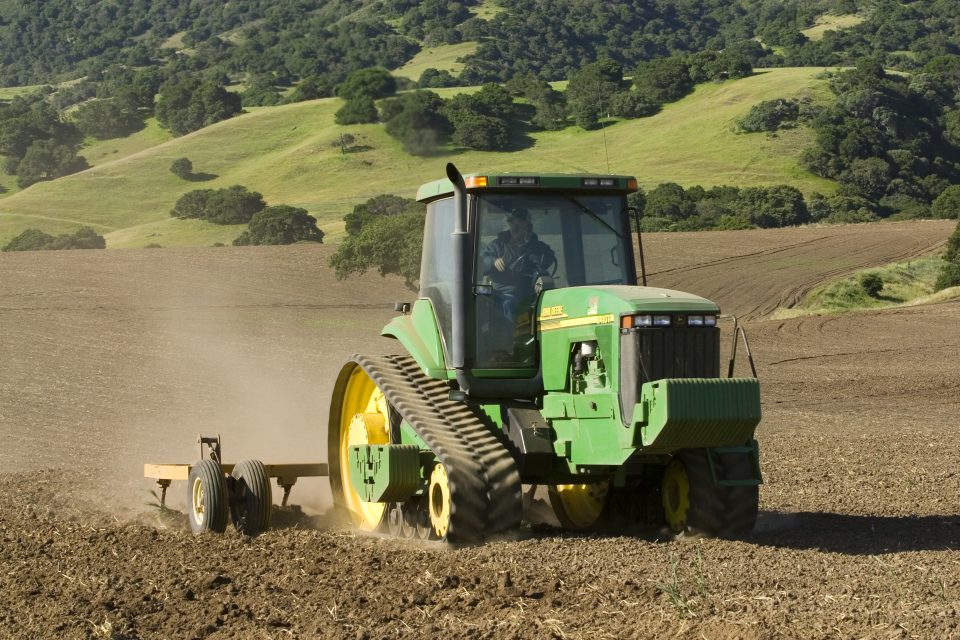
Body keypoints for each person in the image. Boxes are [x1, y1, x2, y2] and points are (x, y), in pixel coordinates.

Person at [480, 207, 556, 323]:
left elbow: (547, 259)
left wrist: (529, 242)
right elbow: (482, 261)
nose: (516, 228)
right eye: (513, 224)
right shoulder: (497, 245)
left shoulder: (537, 247)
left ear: (527, 227)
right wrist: (493, 261)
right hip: (504, 293)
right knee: (509, 304)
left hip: (531, 293)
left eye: (520, 224)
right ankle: (510, 340)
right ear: (509, 224)